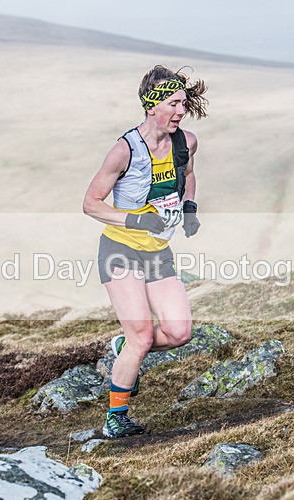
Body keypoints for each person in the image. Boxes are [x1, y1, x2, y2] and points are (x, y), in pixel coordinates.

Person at [82, 65, 208, 438]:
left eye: (184, 102)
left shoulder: (186, 142)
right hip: (120, 250)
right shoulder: (124, 151)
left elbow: (187, 176)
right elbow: (91, 203)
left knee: (179, 331)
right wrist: (135, 222)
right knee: (142, 337)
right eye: (173, 103)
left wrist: (189, 208)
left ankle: (123, 346)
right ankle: (115, 419)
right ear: (151, 106)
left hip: (158, 253)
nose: (181, 110)